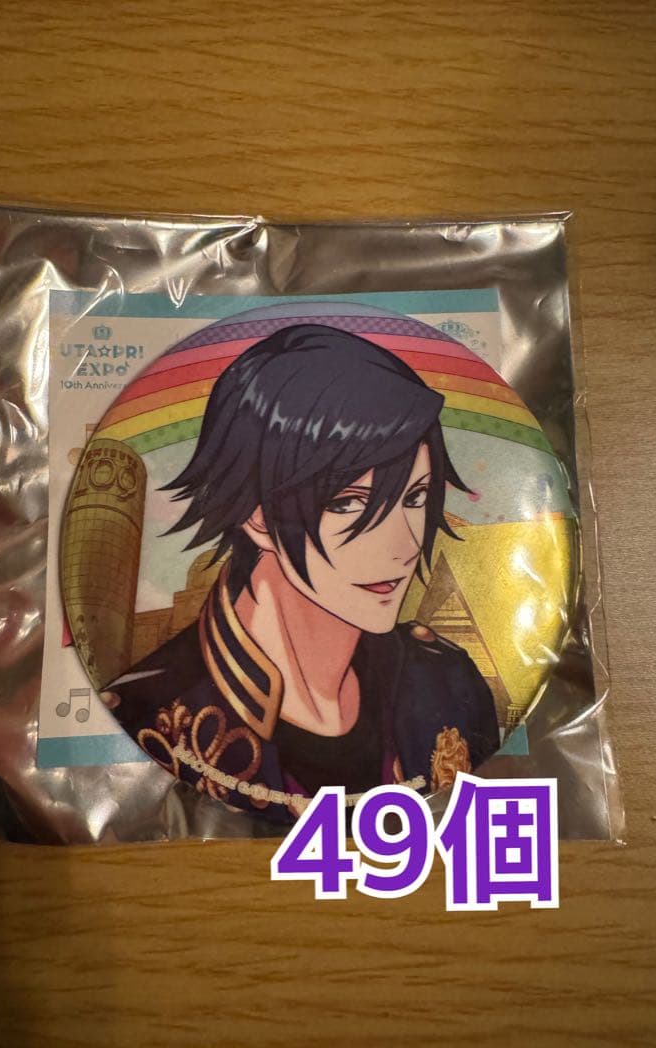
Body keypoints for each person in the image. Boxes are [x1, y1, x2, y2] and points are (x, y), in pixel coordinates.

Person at [103, 322, 499, 823]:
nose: (402, 546)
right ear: (257, 516)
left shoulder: (446, 681)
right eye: (349, 503)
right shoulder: (152, 712)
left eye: (415, 497)